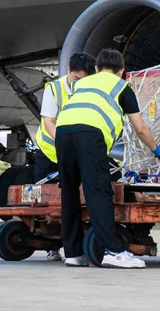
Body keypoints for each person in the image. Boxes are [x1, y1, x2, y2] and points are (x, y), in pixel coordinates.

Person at [55, 48, 160, 269]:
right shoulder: (122, 87)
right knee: (98, 192)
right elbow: (140, 128)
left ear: (96, 69)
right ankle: (113, 251)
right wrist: (156, 149)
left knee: (69, 193)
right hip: (90, 134)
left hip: (63, 133)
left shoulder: (80, 84)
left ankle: (73, 253)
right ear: (122, 71)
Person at [33, 52, 95, 261]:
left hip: (75, 151)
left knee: (73, 199)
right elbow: (49, 121)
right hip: (50, 150)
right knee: (45, 203)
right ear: (68, 71)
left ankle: (76, 243)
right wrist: (66, 142)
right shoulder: (54, 89)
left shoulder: (90, 89)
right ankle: (51, 245)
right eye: (76, 79)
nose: (79, 84)